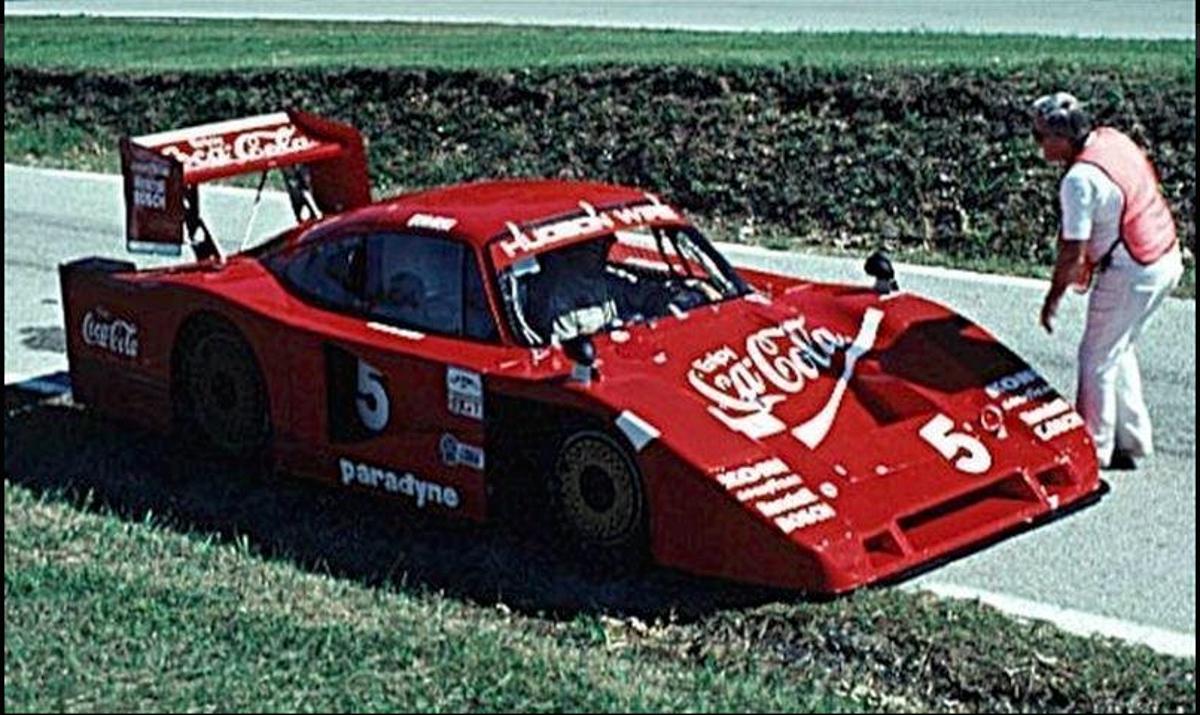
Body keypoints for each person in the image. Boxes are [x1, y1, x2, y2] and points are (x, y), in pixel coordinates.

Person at [1031, 91, 1183, 470]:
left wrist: (1053, 298)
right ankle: (1131, 439)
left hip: (1132, 271)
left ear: (1062, 139)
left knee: (1095, 358)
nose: (1037, 145)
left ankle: (1092, 451)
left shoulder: (1079, 181)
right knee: (1117, 347)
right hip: (1164, 257)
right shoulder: (1111, 139)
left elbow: (1072, 252)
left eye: (1041, 137)